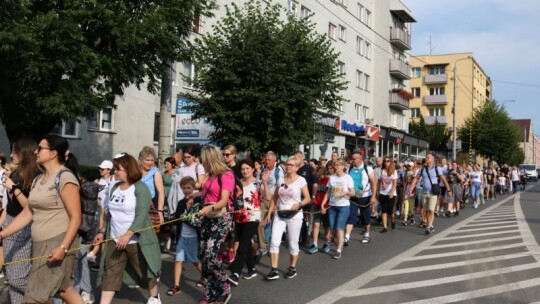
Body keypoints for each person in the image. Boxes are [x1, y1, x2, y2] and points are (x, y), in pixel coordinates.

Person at [0, 134, 83, 303]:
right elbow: (28, 213)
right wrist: (2, 234)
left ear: (53, 153)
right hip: (40, 243)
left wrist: (63, 247)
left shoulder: (65, 177)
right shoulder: (39, 179)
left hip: (57, 241)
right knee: (61, 290)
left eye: (40, 148)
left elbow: (76, 218)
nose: (36, 152)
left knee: (39, 294)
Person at [94, 153, 162, 304]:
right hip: (115, 239)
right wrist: (102, 231)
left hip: (136, 241)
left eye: (118, 168)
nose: (115, 171)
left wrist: (128, 234)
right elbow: (109, 214)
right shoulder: (115, 187)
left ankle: (154, 297)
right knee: (110, 273)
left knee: (144, 272)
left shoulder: (140, 188)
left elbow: (142, 215)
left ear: (128, 169)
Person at [0, 139, 39, 304]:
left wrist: (14, 188)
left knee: (18, 277)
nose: (10, 155)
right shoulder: (15, 173)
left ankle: (48, 299)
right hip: (9, 221)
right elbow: (8, 207)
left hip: (24, 225)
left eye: (14, 152)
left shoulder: (35, 176)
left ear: (23, 153)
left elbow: (30, 208)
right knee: (11, 274)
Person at [197, 145, 234, 304]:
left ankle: (224, 287)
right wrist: (193, 196)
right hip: (207, 218)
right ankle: (209, 293)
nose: (202, 163)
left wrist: (210, 207)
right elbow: (207, 194)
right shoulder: (209, 175)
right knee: (204, 257)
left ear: (210, 159)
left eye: (204, 160)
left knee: (211, 254)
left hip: (220, 218)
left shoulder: (226, 175)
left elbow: (223, 201)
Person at [265, 156, 311, 280]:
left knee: (292, 243)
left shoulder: (301, 180)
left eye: (291, 165)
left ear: (296, 167)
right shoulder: (280, 179)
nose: (288, 167)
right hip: (280, 213)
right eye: (287, 164)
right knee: (274, 241)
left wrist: (299, 204)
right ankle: (274, 270)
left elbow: (308, 198)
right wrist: (269, 214)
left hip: (294, 215)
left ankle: (292, 267)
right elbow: (275, 198)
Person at [227, 160, 270, 285]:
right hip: (239, 218)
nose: (245, 171)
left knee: (242, 245)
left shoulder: (257, 182)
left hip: (252, 218)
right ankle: (251, 269)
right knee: (244, 243)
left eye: (247, 168)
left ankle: (235, 273)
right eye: (243, 169)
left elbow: (267, 197)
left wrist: (265, 182)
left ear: (252, 169)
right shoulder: (238, 183)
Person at [167, 176, 203, 297]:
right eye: (184, 188)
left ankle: (206, 276)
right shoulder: (181, 202)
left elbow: (199, 219)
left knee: (194, 260)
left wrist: (190, 209)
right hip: (181, 236)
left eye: (189, 187)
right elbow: (177, 217)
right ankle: (176, 286)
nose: (186, 190)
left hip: (193, 236)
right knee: (178, 259)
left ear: (193, 188)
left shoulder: (199, 201)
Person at [409, 152, 451, 235]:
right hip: (425, 192)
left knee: (431, 210)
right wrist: (411, 189)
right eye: (426, 157)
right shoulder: (422, 169)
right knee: (426, 211)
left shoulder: (437, 169)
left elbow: (443, 179)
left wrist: (449, 190)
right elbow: (416, 179)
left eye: (428, 157)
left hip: (433, 193)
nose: (426, 159)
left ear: (433, 159)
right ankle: (430, 226)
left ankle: (429, 226)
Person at [321, 159, 353, 259]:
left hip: (344, 206)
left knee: (339, 227)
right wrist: (323, 204)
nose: (336, 166)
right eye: (335, 165)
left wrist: (346, 193)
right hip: (332, 206)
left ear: (343, 166)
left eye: (338, 165)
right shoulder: (332, 178)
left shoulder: (348, 178)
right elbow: (328, 192)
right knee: (332, 228)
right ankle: (340, 239)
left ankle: (339, 249)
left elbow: (353, 192)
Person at [345, 151, 376, 245]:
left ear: (360, 159)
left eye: (354, 159)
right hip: (352, 197)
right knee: (350, 217)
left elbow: (374, 183)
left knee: (365, 217)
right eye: (351, 159)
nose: (352, 161)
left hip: (365, 196)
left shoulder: (368, 168)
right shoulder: (349, 168)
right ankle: (347, 237)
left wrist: (373, 197)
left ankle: (366, 234)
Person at [256, 151, 283, 258]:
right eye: (266, 159)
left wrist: (277, 201)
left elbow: (281, 186)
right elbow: (257, 182)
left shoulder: (278, 171)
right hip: (263, 200)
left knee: (275, 224)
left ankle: (273, 247)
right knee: (260, 223)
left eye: (269, 160)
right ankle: (262, 247)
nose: (267, 162)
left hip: (275, 200)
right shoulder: (262, 170)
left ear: (274, 161)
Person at [307, 161, 333, 254]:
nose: (319, 177)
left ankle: (326, 243)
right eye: (317, 176)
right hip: (317, 204)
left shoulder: (329, 180)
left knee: (326, 225)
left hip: (326, 206)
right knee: (316, 224)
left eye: (320, 175)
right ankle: (315, 244)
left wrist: (325, 206)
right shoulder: (318, 180)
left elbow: (329, 194)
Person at [376, 156, 398, 233]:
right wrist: (377, 191)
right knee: (384, 210)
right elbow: (379, 182)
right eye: (385, 161)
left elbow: (395, 183)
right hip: (382, 193)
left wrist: (392, 192)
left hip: (391, 194)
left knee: (390, 211)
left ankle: (392, 220)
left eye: (388, 161)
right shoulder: (381, 171)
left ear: (390, 162)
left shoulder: (394, 171)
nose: (386, 162)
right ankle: (385, 227)